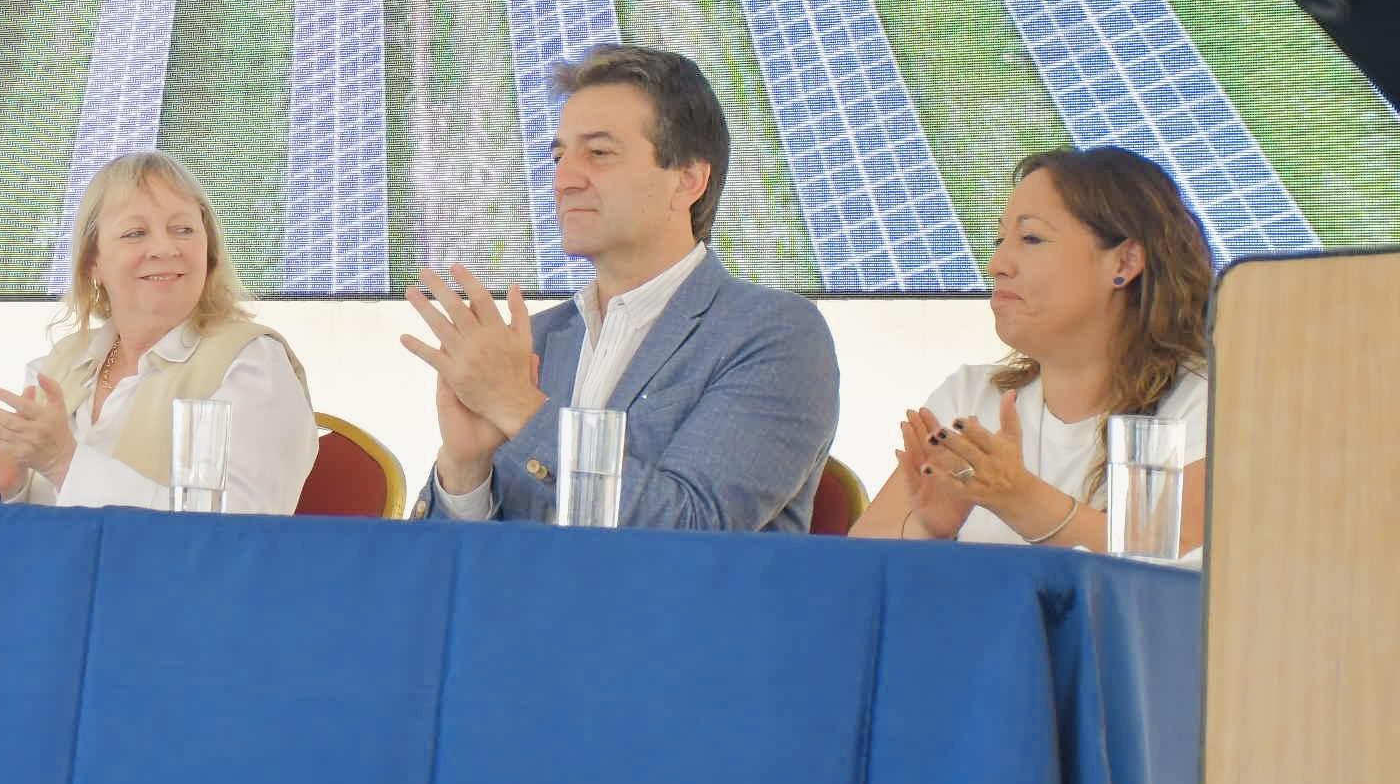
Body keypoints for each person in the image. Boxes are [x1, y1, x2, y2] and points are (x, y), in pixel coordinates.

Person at [404, 44, 838, 529]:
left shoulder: (775, 335)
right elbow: (434, 580)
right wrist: (466, 469)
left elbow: (693, 530)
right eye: (559, 157)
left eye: (599, 154)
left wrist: (519, 409)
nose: (563, 180)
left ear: (688, 180)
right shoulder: (537, 342)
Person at [851, 146, 1211, 559]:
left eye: (1032, 238)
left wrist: (1017, 497)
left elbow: (1167, 561)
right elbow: (854, 573)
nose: (997, 264)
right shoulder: (971, 397)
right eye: (999, 239)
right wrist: (929, 530)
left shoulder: (1204, 400)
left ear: (1125, 262)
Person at [0, 151, 316, 512]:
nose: (164, 248)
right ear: (93, 261)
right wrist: (6, 483)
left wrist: (64, 464)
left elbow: (243, 529)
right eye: (135, 233)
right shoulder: (59, 366)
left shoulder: (253, 364)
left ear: (209, 251)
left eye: (183, 229)